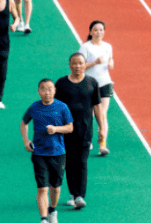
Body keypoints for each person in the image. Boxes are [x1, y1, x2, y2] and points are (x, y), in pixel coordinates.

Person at [55, 53, 104, 210]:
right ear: (69, 64)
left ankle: (79, 196)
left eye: (80, 63)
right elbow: (55, 108)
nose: (77, 66)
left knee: (81, 162)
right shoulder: (62, 84)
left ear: (85, 64)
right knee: (69, 163)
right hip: (66, 131)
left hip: (85, 130)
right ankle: (74, 193)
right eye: (74, 63)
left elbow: (97, 107)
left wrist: (102, 128)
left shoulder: (91, 83)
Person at [21, 79, 74, 223]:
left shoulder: (62, 107)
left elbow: (70, 127)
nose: (47, 92)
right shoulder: (34, 107)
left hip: (58, 153)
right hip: (39, 154)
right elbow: (24, 123)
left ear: (54, 90)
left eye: (50, 89)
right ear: (38, 91)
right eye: (43, 89)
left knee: (55, 188)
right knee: (42, 189)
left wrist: (55, 129)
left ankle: (52, 209)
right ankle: (43, 218)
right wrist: (26, 141)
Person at [79, 20, 114, 156]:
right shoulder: (85, 47)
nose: (98, 32)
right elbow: (80, 66)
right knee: (89, 115)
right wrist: (94, 63)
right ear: (90, 32)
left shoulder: (108, 46)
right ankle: (87, 141)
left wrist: (111, 63)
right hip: (90, 84)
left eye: (101, 30)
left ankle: (103, 145)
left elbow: (111, 58)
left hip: (105, 83)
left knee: (103, 115)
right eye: (95, 30)